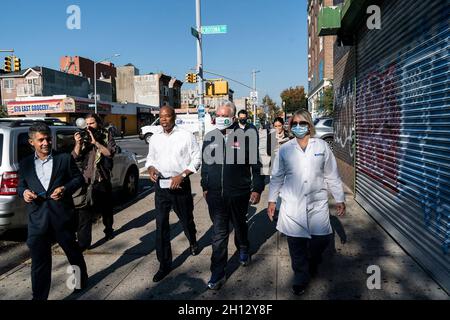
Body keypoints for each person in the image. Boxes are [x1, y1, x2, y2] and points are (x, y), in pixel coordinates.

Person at [267, 109, 346, 296]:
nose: (298, 127)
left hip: (316, 202)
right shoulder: (285, 149)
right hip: (292, 204)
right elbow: (277, 177)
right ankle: (301, 277)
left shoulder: (321, 147)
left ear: (309, 125)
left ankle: (311, 261)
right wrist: (271, 200)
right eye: (294, 124)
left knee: (321, 239)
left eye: (302, 124)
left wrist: (339, 198)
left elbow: (332, 175)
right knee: (296, 244)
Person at [18, 122, 88, 300]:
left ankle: (80, 282)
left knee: (73, 253)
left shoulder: (63, 158)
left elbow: (78, 179)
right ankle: (39, 297)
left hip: (62, 217)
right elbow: (21, 186)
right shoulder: (25, 163)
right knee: (39, 262)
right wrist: (24, 193)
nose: (45, 143)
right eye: (41, 140)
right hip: (38, 220)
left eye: (48, 139)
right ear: (31, 142)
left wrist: (65, 188)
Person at [201, 100, 265, 290]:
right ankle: (218, 272)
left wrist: (257, 188)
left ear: (233, 117)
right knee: (219, 233)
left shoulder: (246, 137)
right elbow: (205, 165)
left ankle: (243, 248)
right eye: (218, 116)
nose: (220, 119)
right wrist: (205, 186)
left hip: (239, 193)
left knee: (239, 225)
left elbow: (256, 167)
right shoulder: (210, 137)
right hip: (215, 195)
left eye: (224, 116)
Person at [145, 106, 202, 282]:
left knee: (186, 219)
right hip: (161, 186)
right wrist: (151, 168)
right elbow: (151, 158)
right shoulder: (154, 138)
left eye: (167, 116)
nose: (163, 119)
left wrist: (183, 175)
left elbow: (197, 159)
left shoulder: (186, 136)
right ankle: (164, 264)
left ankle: (192, 240)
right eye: (161, 117)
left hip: (180, 185)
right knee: (161, 226)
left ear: (173, 117)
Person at [72, 113, 117, 251]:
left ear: (98, 123)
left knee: (106, 209)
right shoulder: (82, 135)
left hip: (101, 178)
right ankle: (84, 243)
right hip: (86, 179)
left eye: (92, 123)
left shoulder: (105, 135)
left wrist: (96, 143)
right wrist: (78, 143)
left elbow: (110, 153)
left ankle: (108, 229)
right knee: (84, 212)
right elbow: (75, 156)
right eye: (87, 124)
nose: (89, 126)